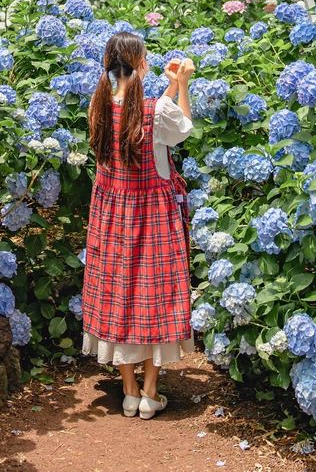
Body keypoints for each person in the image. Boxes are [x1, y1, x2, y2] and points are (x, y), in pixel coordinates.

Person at [82, 31, 195, 420]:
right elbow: (178, 128)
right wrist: (182, 85)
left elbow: (138, 115)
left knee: (118, 294)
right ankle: (150, 392)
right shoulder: (155, 111)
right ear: (140, 62)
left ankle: (128, 392)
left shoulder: (98, 105)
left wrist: (166, 86)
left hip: (112, 216)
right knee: (154, 295)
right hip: (153, 217)